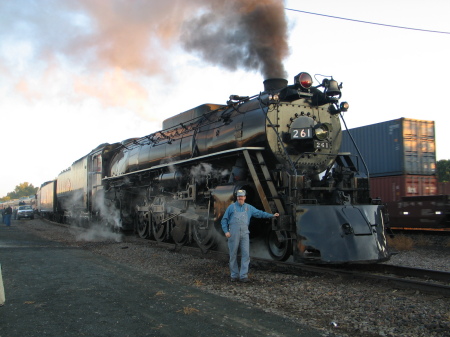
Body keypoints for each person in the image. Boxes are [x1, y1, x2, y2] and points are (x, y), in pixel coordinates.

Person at [221, 189, 279, 282]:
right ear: (237, 197)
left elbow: (260, 213)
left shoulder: (249, 208)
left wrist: (271, 215)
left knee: (246, 254)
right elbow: (224, 220)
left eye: (242, 196)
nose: (240, 198)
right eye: (239, 196)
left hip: (245, 234)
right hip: (233, 233)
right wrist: (226, 231)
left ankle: (243, 275)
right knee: (233, 254)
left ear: (245, 197)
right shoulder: (231, 207)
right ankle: (234, 275)